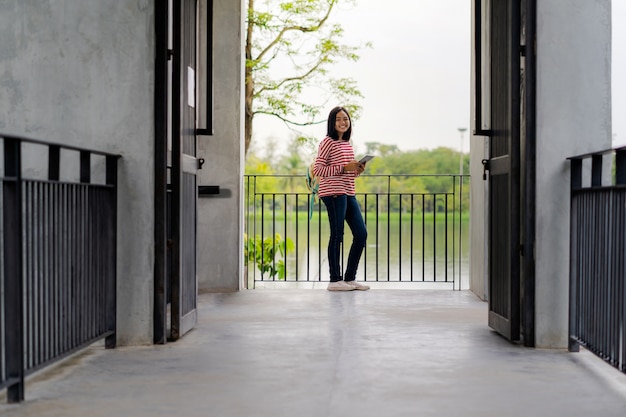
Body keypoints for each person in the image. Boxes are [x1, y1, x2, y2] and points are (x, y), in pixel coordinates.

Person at [313, 106, 370, 291]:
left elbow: (347, 172)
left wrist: (357, 171)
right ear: (332, 122)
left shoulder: (347, 144)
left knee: (361, 234)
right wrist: (343, 168)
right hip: (333, 193)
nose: (343, 122)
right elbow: (318, 170)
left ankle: (349, 278)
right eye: (338, 119)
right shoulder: (327, 142)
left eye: (345, 119)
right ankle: (334, 281)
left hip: (348, 191)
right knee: (337, 235)